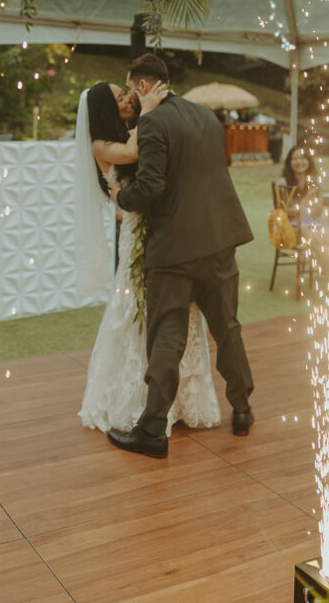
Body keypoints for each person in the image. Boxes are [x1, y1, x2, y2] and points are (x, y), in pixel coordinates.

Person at [107, 52, 254, 459]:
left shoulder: (152, 122)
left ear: (140, 86)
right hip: (221, 239)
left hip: (174, 247)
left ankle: (153, 430)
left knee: (167, 336)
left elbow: (150, 185)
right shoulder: (206, 115)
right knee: (228, 328)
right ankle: (242, 409)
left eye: (130, 89)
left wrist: (122, 196)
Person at [76, 79, 221, 439]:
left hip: (159, 232)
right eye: (119, 97)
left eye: (125, 92)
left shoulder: (129, 131)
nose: (127, 98)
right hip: (135, 237)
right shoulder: (103, 144)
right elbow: (131, 155)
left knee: (166, 312)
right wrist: (151, 113)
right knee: (135, 307)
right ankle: (135, 399)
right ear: (104, 109)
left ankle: (174, 400)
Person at [276, 144, 328, 262]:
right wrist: (305, 201)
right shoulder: (283, 183)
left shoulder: (314, 182)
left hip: (313, 223)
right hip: (291, 226)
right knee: (317, 240)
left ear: (309, 161)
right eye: (295, 159)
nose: (299, 162)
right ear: (289, 162)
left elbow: (318, 213)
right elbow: (286, 214)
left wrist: (315, 201)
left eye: (303, 158)